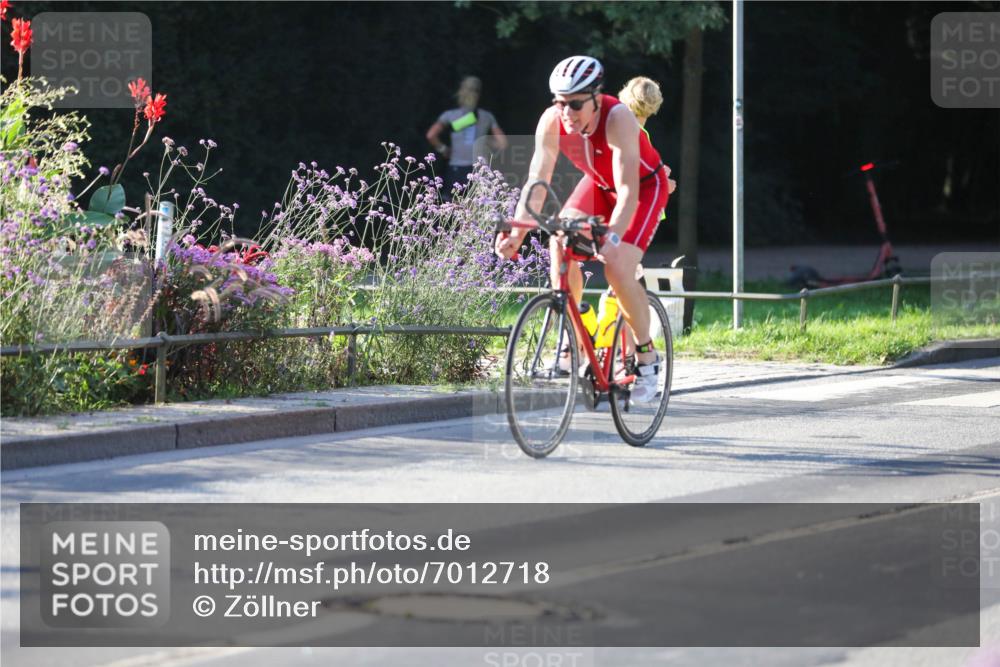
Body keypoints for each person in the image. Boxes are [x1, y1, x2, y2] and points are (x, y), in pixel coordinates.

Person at [494, 56, 671, 402]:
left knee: (618, 269)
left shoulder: (617, 117)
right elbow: (537, 181)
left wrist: (612, 238)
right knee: (559, 241)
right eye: (560, 103)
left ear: (595, 97)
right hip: (598, 187)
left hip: (643, 188)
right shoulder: (552, 121)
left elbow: (627, 191)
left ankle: (646, 356)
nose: (567, 112)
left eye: (575, 104)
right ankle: (574, 339)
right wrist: (518, 232)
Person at [426, 76, 508, 198]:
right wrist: (485, 142)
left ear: (460, 92)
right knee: (475, 210)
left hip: (456, 168)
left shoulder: (450, 115)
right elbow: (503, 143)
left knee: (453, 210)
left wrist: (444, 149)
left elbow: (431, 135)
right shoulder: (486, 117)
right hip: (478, 170)